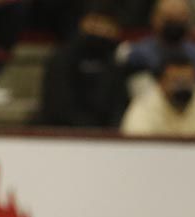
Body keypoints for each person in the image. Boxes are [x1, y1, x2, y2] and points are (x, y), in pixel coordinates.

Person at [37, 0, 128, 128]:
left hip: (106, 137)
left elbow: (119, 104)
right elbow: (59, 105)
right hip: (64, 135)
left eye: (108, 23)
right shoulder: (63, 58)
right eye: (96, 21)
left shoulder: (116, 61)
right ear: (84, 22)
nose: (102, 28)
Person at [124, 0, 195, 99]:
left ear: (188, 19)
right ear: (155, 18)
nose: (174, 24)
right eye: (169, 19)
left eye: (179, 18)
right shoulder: (137, 56)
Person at [121, 48, 195, 136]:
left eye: (188, 81)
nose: (183, 87)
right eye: (176, 81)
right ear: (161, 82)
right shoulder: (142, 113)